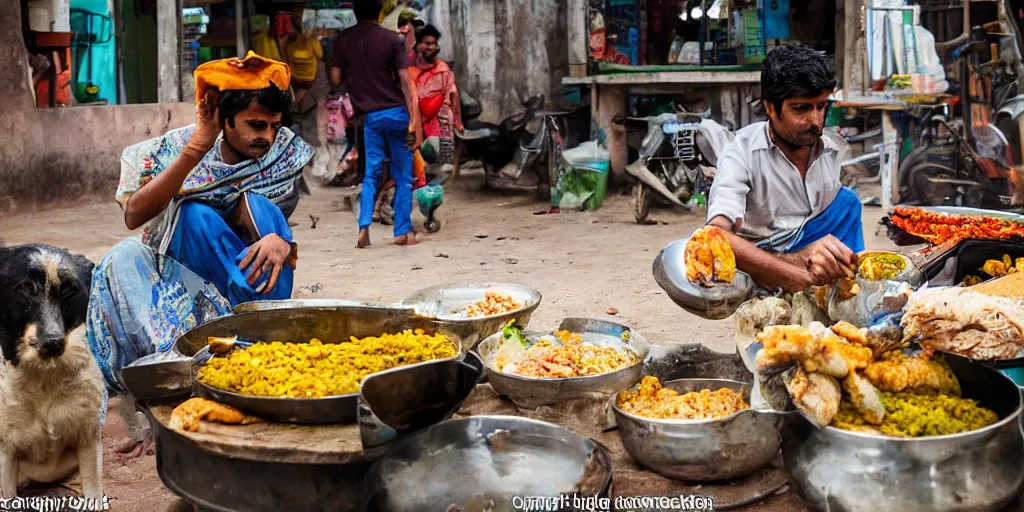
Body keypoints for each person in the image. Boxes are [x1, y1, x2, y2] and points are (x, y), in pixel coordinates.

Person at [86, 52, 313, 453]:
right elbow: (134, 214)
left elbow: (268, 221)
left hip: (239, 290)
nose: (267, 137)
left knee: (255, 213)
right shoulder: (179, 147)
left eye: (275, 127)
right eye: (255, 125)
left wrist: (284, 242)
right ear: (226, 121)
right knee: (172, 228)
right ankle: (175, 381)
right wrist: (197, 147)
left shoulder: (279, 159)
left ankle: (247, 342)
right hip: (171, 281)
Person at [706, 43, 864, 293]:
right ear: (770, 108)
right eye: (800, 109)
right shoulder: (742, 152)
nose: (815, 121)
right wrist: (791, 269)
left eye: (821, 106)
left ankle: (843, 291)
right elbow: (715, 235)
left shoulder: (830, 148)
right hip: (762, 261)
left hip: (809, 259)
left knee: (847, 203)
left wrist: (813, 254)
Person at [331, 0, 421, 248]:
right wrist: (413, 119)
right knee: (403, 175)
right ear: (380, 12)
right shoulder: (393, 40)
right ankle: (402, 232)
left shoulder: (343, 40)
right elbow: (405, 81)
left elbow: (336, 77)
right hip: (397, 113)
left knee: (370, 174)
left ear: (354, 12)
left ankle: (363, 227)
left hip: (370, 117)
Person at [409, 24, 463, 168]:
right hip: (416, 124)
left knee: (442, 165)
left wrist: (457, 120)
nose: (431, 47)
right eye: (427, 43)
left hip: (441, 123)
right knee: (416, 165)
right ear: (418, 45)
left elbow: (453, 95)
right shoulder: (411, 71)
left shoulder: (443, 69)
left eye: (434, 44)